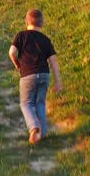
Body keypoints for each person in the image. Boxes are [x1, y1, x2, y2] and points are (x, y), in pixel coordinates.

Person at [9, 9, 62, 145]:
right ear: (42, 23)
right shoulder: (45, 39)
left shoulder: (21, 36)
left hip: (27, 75)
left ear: (26, 22)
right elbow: (53, 62)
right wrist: (58, 82)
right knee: (40, 103)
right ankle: (41, 134)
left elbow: (11, 52)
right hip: (44, 75)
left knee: (26, 103)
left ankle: (34, 128)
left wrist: (17, 65)